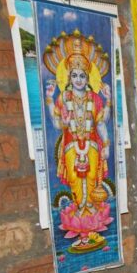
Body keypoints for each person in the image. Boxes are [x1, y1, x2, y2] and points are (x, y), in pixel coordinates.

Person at [44, 32, 113, 250]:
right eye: (74, 75)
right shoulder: (63, 99)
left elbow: (102, 123)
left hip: (92, 145)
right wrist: (49, 100)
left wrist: (107, 144)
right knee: (75, 179)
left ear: (88, 77)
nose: (79, 80)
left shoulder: (95, 98)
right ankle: (81, 218)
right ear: (69, 77)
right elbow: (57, 125)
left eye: (82, 76)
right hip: (71, 145)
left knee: (92, 178)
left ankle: (90, 220)